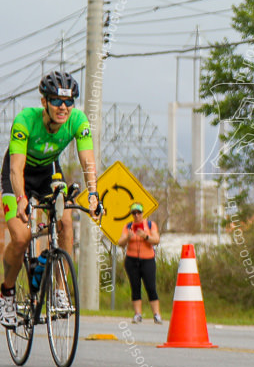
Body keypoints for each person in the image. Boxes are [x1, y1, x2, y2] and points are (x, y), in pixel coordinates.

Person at [1, 71, 100, 327]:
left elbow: (88, 160)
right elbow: (15, 169)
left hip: (48, 173)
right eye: (56, 100)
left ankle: (59, 290)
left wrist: (93, 193)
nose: (63, 107)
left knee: (66, 222)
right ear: (44, 101)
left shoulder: (77, 120)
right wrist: (22, 198)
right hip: (18, 174)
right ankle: (7, 293)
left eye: (69, 101)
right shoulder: (25, 121)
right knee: (21, 237)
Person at [117, 202, 162, 324]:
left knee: (151, 287)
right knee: (135, 287)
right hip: (132, 260)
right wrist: (128, 237)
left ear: (143, 213)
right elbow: (120, 242)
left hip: (147, 259)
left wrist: (145, 236)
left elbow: (156, 240)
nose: (136, 215)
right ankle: (138, 314)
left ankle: (156, 314)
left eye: (138, 213)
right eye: (134, 213)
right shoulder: (128, 227)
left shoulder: (150, 225)